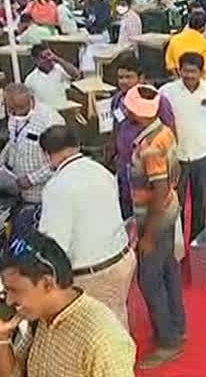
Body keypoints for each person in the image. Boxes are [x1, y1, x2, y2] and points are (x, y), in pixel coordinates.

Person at [37, 125, 135, 330]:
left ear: (47, 155)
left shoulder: (57, 187)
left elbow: (54, 244)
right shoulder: (103, 171)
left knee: (96, 333)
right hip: (121, 259)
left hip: (94, 272)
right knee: (117, 318)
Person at [0, 231, 135, 376]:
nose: (9, 301)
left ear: (47, 284)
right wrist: (3, 338)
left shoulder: (103, 340)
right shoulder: (40, 318)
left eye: (15, 290)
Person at [123, 84, 186, 369]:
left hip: (154, 218)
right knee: (169, 271)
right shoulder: (164, 132)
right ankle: (177, 325)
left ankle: (168, 340)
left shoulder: (149, 149)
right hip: (168, 210)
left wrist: (147, 234)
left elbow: (158, 190)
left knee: (150, 281)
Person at [160, 52, 206, 241]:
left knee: (200, 202)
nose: (189, 76)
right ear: (179, 70)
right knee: (177, 203)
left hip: (203, 154)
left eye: (193, 71)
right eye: (185, 71)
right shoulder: (166, 91)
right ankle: (178, 245)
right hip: (176, 156)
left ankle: (197, 242)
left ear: (202, 72)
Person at [110, 54, 175, 219]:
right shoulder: (117, 100)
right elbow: (115, 129)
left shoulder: (158, 101)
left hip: (149, 169)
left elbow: (170, 132)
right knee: (127, 214)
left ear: (141, 78)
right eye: (120, 77)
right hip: (124, 167)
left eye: (128, 77)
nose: (123, 81)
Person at [0, 84, 65, 242]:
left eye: (18, 108)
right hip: (20, 192)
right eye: (10, 108)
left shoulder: (50, 120)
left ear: (30, 101)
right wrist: (3, 158)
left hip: (42, 195)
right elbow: (13, 141)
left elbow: (61, 159)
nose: (13, 112)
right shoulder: (15, 116)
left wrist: (31, 179)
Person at [24, 43, 81, 109]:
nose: (48, 59)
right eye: (43, 58)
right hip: (45, 115)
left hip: (63, 110)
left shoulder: (60, 69)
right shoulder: (30, 79)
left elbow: (76, 74)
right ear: (35, 60)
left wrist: (56, 58)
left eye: (49, 55)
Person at [165, 10, 206, 77]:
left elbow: (170, 66)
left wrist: (179, 80)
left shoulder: (174, 39)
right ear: (203, 27)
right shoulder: (205, 43)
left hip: (179, 81)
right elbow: (204, 69)